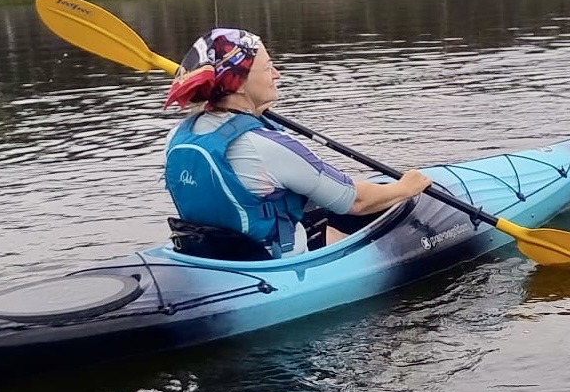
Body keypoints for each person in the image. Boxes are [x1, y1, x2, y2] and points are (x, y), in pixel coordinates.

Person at [163, 28, 432, 258]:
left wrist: (252, 111)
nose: (277, 74)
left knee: (310, 206)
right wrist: (405, 187)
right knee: (361, 214)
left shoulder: (177, 136)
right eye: (268, 68)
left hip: (209, 253)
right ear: (240, 84)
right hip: (273, 261)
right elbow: (355, 201)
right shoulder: (265, 145)